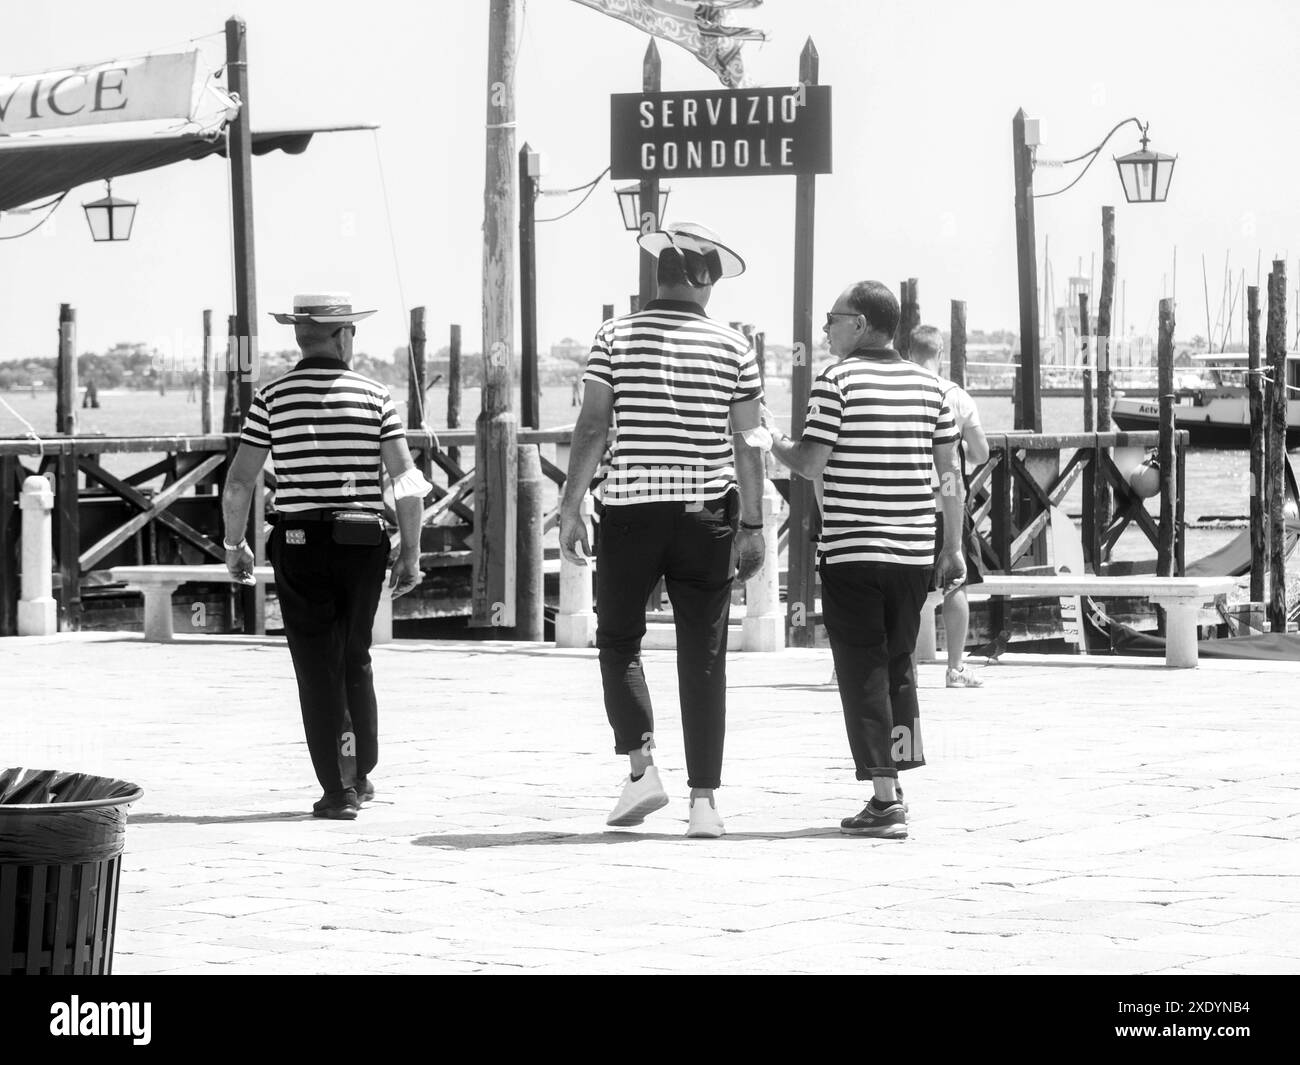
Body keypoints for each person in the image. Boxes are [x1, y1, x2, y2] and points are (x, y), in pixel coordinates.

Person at [558, 222, 766, 839]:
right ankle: (705, 804)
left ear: (660, 276)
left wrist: (572, 504)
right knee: (703, 656)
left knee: (619, 640)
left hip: (630, 511)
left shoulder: (612, 336)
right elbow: (749, 442)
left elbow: (593, 428)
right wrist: (753, 525)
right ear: (704, 282)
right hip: (707, 513)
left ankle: (642, 767)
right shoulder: (734, 347)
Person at [762, 281, 964, 839]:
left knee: (861, 669)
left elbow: (807, 462)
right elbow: (950, 475)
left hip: (853, 550)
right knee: (900, 664)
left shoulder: (836, 381)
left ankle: (883, 797)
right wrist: (953, 544)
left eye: (834, 317)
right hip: (912, 551)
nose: (827, 328)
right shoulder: (932, 387)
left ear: (862, 323)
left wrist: (769, 437)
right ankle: (893, 786)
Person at [222, 293, 430, 820]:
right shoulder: (376, 396)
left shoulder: (271, 397)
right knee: (355, 655)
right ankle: (358, 772)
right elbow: (406, 481)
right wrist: (411, 551)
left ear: (302, 336)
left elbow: (241, 481)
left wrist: (234, 544)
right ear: (342, 337)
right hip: (362, 544)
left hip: (298, 544)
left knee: (317, 665)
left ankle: (339, 790)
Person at [907, 325, 989, 688]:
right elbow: (981, 452)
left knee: (905, 590)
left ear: (909, 352)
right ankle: (955, 668)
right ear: (940, 353)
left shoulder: (903, 390)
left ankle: (904, 667)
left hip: (910, 504)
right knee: (956, 584)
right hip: (949, 505)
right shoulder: (957, 396)